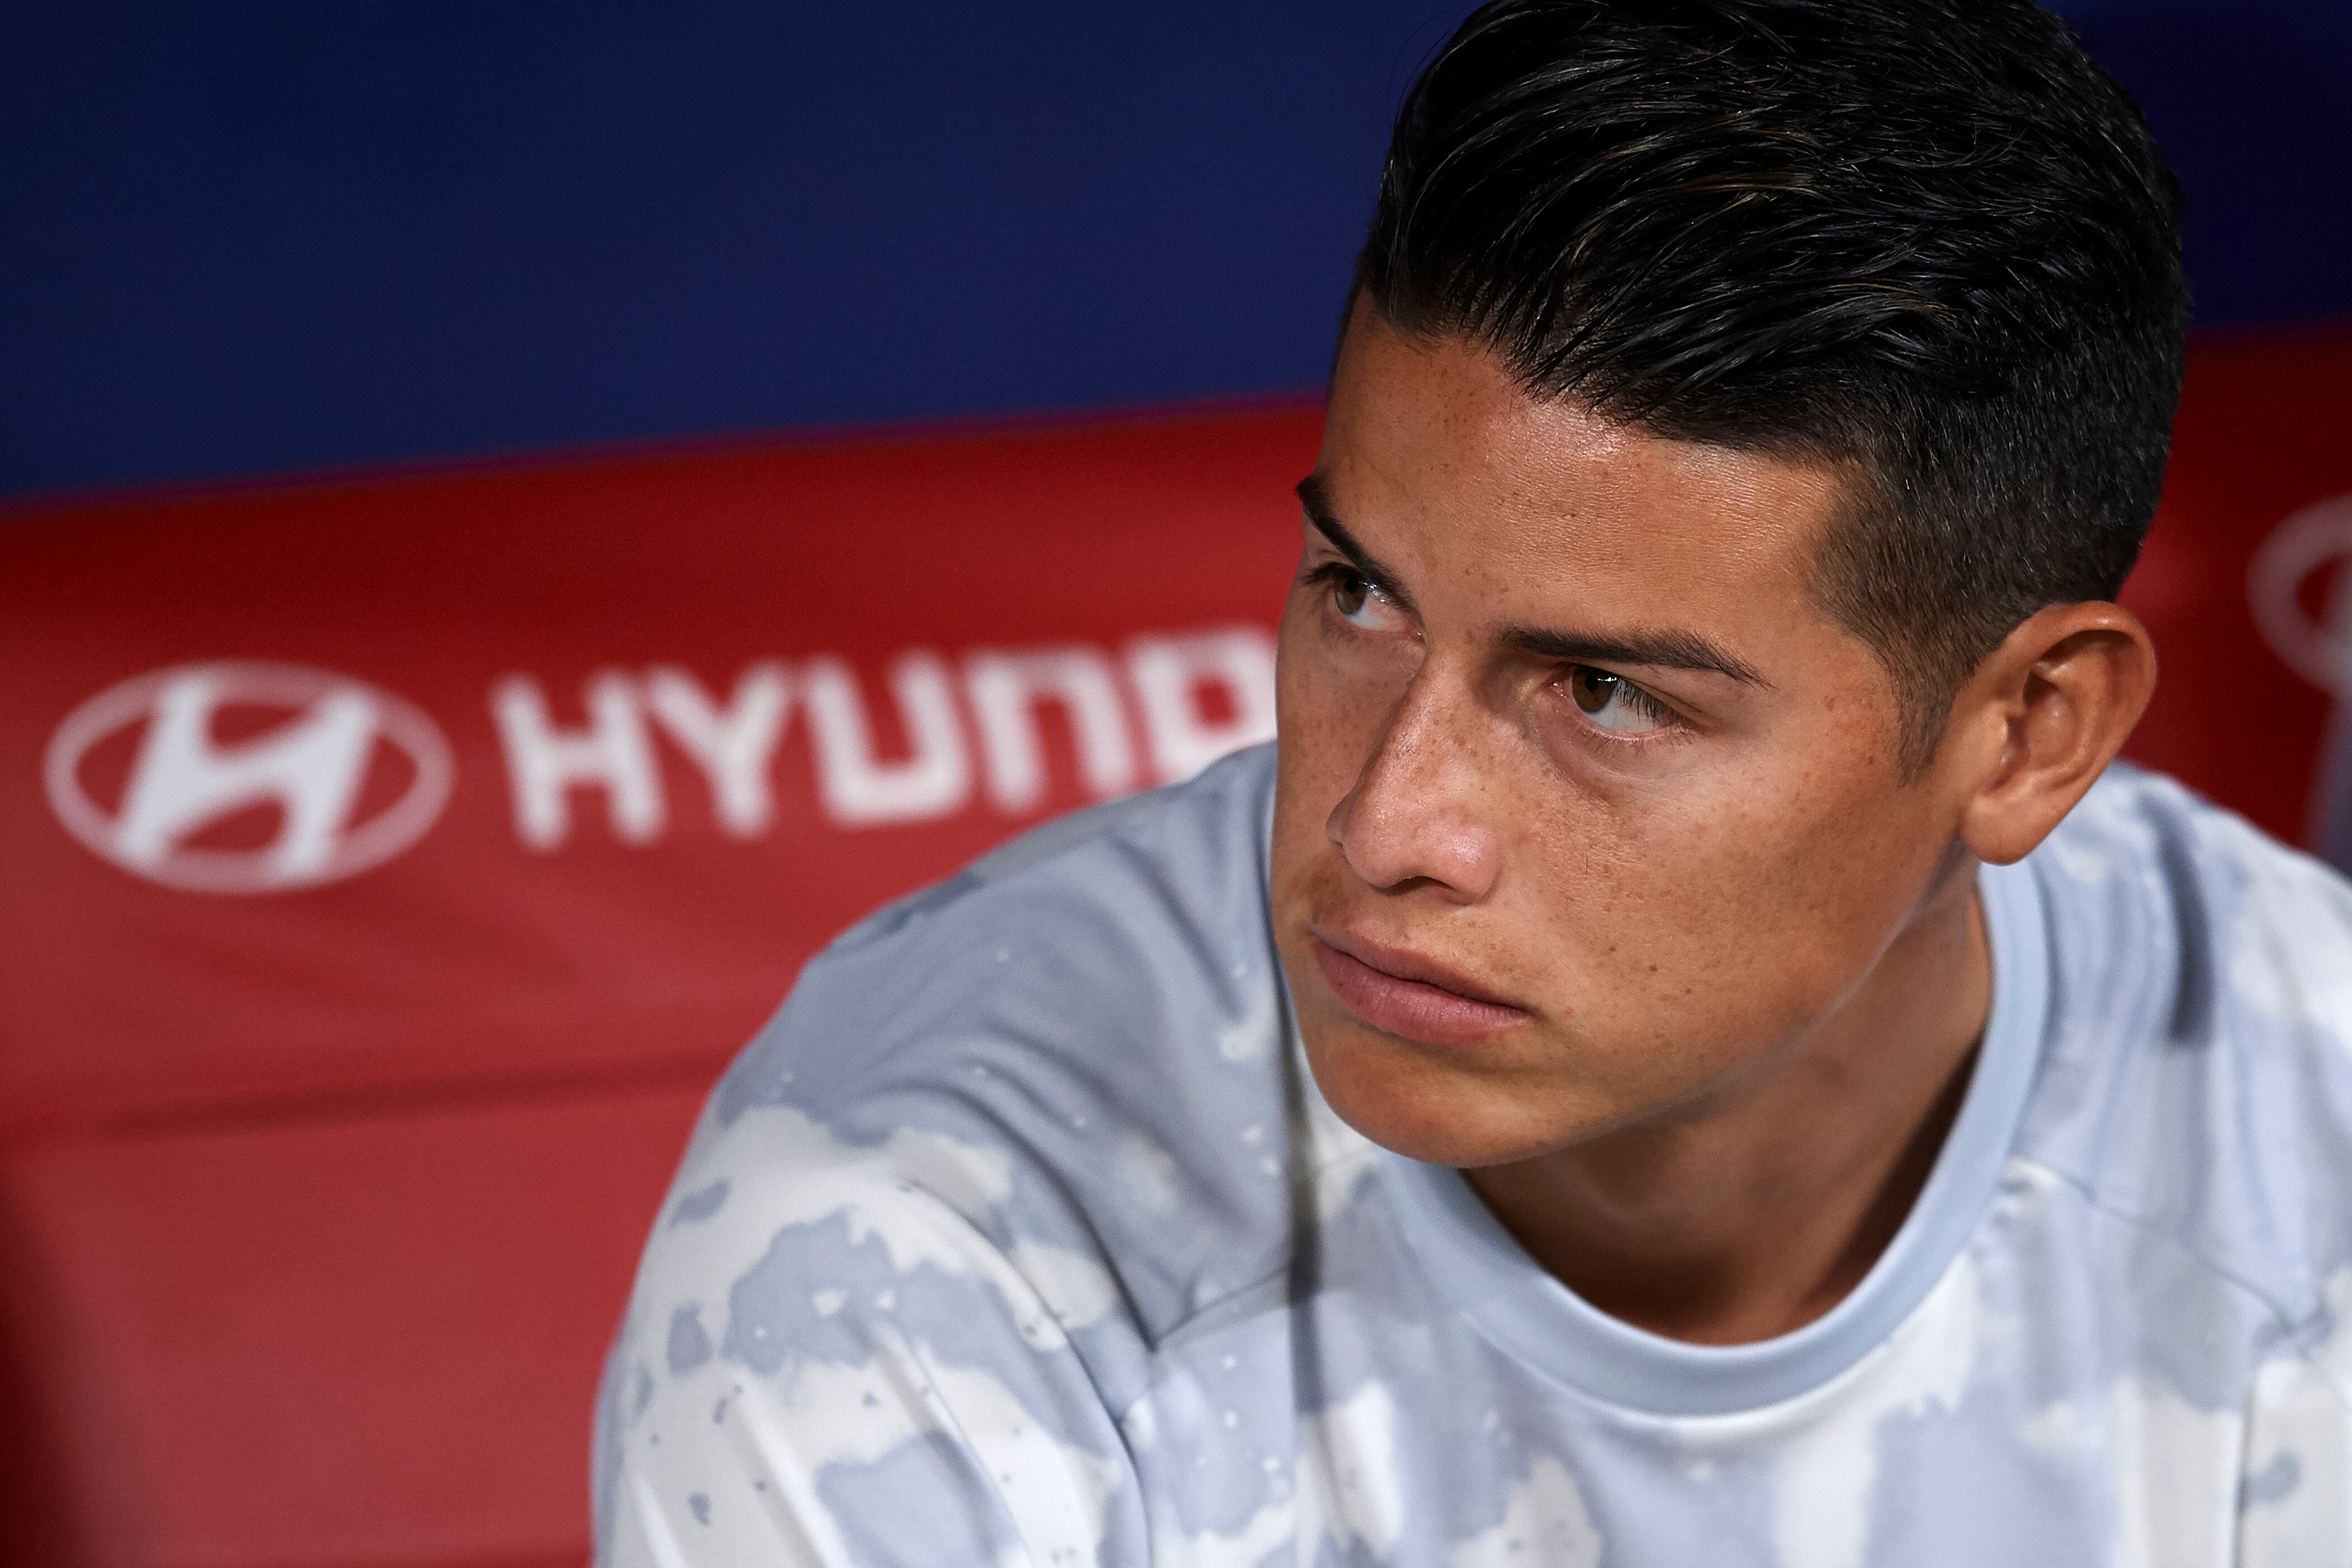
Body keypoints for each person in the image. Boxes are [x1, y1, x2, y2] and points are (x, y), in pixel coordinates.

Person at [594, 1, 2352, 1561]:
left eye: (1605, 695)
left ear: (2031, 733)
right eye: (1359, 597)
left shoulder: (2311, 1130)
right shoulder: (907, 1235)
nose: (1382, 825)